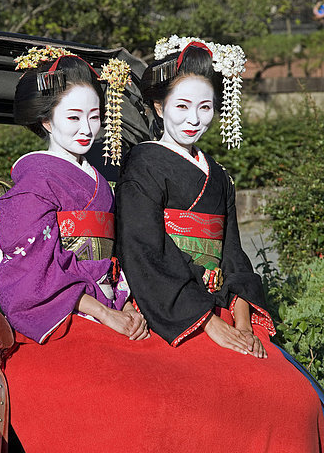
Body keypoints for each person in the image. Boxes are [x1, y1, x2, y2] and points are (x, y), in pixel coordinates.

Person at [114, 36, 324, 452]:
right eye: (181, 106)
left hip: (223, 308)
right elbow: (145, 251)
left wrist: (242, 321)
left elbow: (233, 254)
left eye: (205, 107)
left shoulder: (220, 176)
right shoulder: (143, 166)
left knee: (297, 394)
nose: (194, 119)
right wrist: (208, 323)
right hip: (170, 309)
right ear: (158, 107)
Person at [0, 47, 149, 452]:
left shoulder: (96, 178)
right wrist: (102, 312)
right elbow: (33, 275)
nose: (87, 129)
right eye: (73, 117)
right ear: (46, 119)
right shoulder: (32, 185)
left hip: (113, 302)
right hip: (66, 310)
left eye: (95, 117)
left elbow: (118, 252)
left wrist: (129, 303)